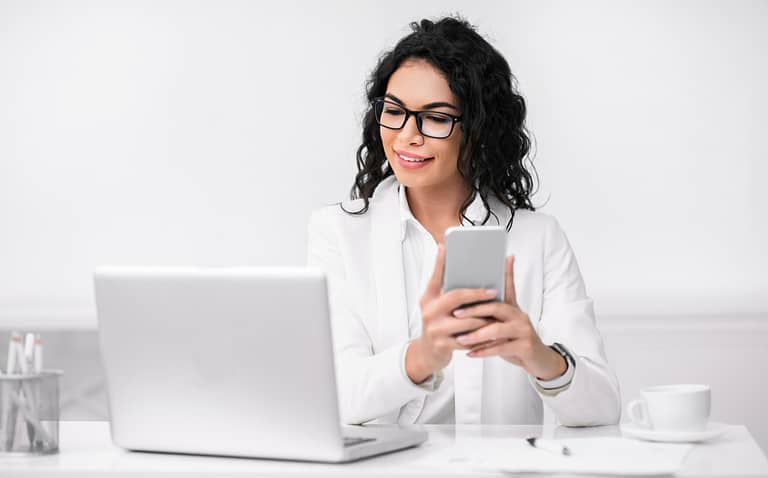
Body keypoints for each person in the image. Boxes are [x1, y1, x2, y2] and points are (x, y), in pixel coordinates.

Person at [307, 16, 620, 426]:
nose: (406, 136)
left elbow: (603, 410)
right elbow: (336, 397)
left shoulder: (537, 239)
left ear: (477, 129)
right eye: (394, 111)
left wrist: (536, 354)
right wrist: (423, 356)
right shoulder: (338, 233)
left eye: (435, 118)